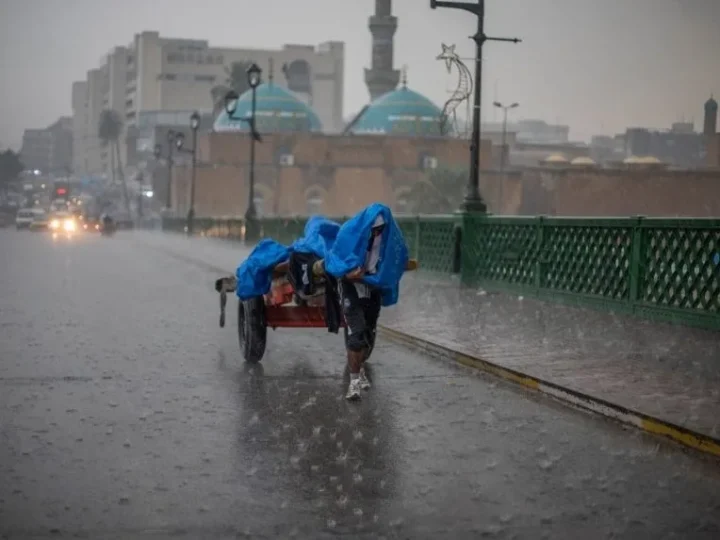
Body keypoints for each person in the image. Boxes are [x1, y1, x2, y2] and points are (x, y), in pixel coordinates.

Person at [338, 215, 385, 401]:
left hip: (372, 287)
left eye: (380, 230)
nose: (377, 233)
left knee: (368, 332)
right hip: (351, 288)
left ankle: (361, 370)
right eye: (374, 230)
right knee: (356, 333)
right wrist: (350, 274)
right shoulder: (352, 239)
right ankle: (354, 383)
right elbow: (339, 264)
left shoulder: (384, 243)